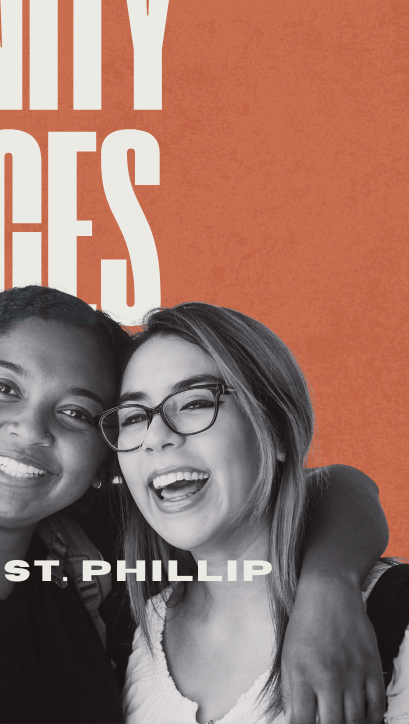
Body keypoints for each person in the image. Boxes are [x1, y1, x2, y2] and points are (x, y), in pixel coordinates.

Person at [0, 287, 388, 723]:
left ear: (105, 451)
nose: (31, 431)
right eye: (4, 388)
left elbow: (326, 486)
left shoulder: (85, 549)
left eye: (77, 413)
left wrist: (327, 591)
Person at [105, 302, 403, 724]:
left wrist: (328, 582)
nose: (155, 436)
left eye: (193, 402)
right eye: (134, 416)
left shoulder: (393, 621)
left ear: (276, 430)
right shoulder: (130, 629)